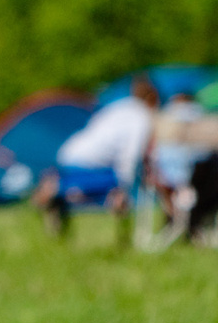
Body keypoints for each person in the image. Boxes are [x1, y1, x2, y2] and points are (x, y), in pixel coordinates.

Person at [39, 77, 160, 236]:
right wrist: (124, 186)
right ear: (152, 98)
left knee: (98, 183)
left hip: (70, 151)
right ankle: (61, 186)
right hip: (91, 163)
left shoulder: (118, 106)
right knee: (117, 185)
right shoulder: (141, 118)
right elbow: (130, 156)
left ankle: (59, 186)